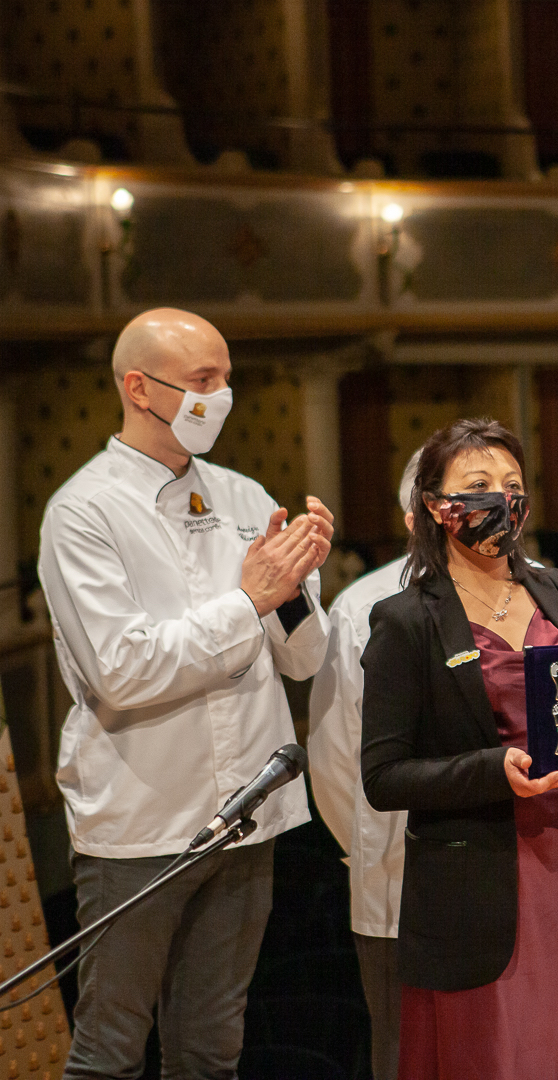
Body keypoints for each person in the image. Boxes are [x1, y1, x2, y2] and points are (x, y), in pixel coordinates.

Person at [39, 307, 333, 1078]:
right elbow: (123, 669)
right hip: (143, 822)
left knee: (210, 1049)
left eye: (227, 379)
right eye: (204, 382)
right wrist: (251, 600)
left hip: (246, 812)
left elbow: (304, 661)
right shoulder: (83, 512)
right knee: (110, 1051)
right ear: (139, 388)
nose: (222, 397)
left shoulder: (243, 495)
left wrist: (294, 588)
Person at [360, 418, 558, 1080]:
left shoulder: (554, 587)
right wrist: (490, 771)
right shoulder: (407, 619)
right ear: (434, 507)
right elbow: (383, 777)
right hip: (477, 884)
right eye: (477, 486)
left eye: (512, 485)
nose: (499, 500)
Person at [307, 447, 422, 1080]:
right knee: (407, 1058)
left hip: (528, 874)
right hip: (397, 875)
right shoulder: (363, 605)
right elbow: (332, 760)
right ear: (415, 513)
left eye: (506, 488)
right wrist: (374, 841)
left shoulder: (542, 585)